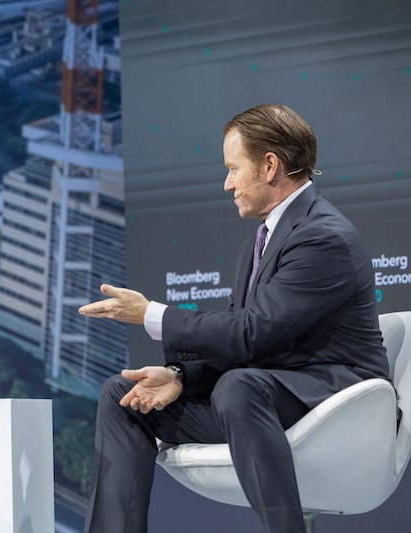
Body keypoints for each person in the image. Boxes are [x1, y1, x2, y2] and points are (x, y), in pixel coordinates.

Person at [79, 104, 390, 533]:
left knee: (240, 385)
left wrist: (150, 313)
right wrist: (180, 377)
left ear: (269, 166)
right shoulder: (259, 241)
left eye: (232, 169)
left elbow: (252, 334)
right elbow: (242, 344)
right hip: (261, 396)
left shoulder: (323, 237)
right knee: (124, 394)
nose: (227, 185)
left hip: (335, 400)